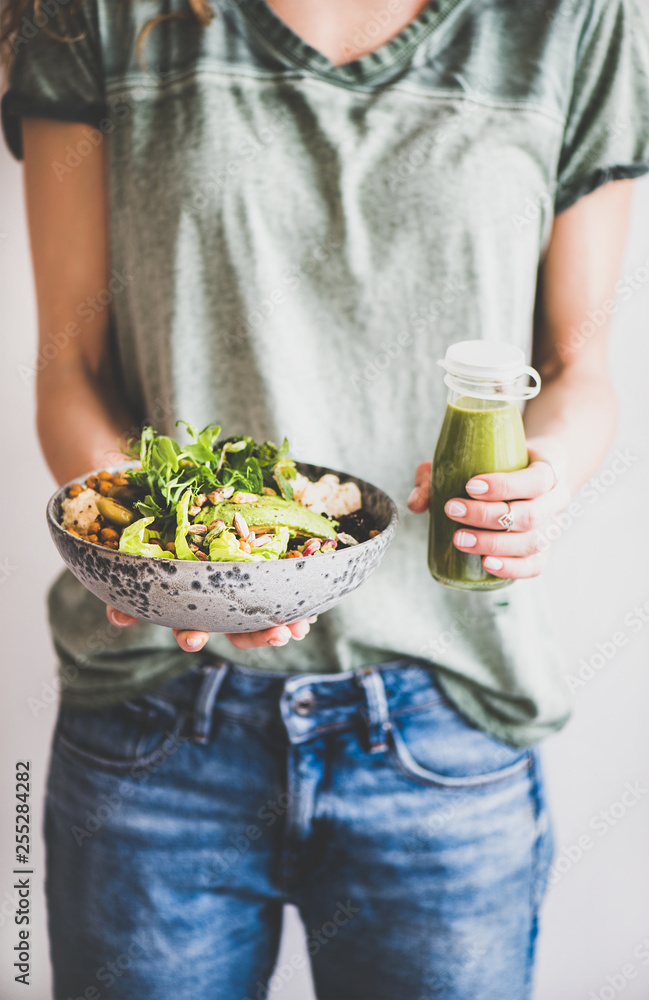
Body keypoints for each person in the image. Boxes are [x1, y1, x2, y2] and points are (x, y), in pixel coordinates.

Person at [3, 0, 649, 996]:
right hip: (158, 727)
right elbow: (68, 370)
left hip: (445, 720)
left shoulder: (572, 19)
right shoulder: (89, 13)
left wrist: (542, 478)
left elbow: (578, 368)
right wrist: (150, 541)